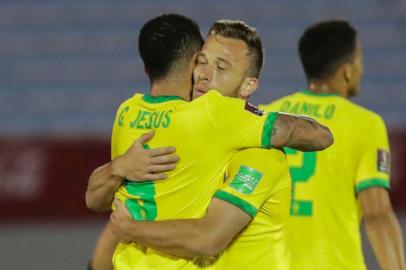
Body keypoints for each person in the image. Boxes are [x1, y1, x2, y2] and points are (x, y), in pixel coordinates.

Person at [85, 14, 332, 270]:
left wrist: (130, 228)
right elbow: (98, 201)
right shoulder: (181, 120)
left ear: (248, 85)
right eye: (201, 62)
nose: (204, 74)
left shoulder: (259, 154)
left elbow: (207, 238)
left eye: (221, 67)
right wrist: (118, 167)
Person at [261, 20, 405, 270]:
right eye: (359, 59)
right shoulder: (365, 124)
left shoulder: (266, 116)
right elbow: (377, 213)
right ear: (347, 70)